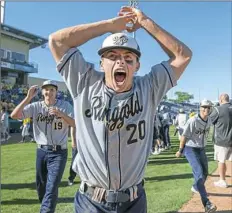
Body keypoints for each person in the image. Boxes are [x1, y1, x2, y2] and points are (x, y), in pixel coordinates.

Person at [49, 6, 192, 213]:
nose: (120, 62)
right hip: (91, 202)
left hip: (134, 201)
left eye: (128, 58)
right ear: (101, 63)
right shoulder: (84, 81)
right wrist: (110, 26)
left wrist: (145, 22)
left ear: (137, 66)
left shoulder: (149, 87)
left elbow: (183, 56)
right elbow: (56, 41)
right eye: (112, 56)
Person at [10, 80, 75, 213]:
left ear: (56, 92)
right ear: (42, 91)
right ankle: (45, 205)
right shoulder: (35, 106)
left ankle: (46, 210)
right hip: (41, 151)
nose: (49, 92)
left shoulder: (65, 105)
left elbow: (76, 124)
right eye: (46, 89)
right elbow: (14, 115)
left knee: (51, 188)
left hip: (59, 152)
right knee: (41, 186)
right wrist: (28, 98)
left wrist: (61, 114)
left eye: (52, 89)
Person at [175, 99, 217, 213]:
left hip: (201, 149)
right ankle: (207, 204)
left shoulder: (209, 121)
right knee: (198, 173)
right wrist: (180, 150)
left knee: (205, 173)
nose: (206, 109)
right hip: (190, 148)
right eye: (204, 107)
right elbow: (184, 136)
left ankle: (195, 186)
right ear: (200, 107)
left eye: (208, 107)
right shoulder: (192, 120)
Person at [210, 94, 232, 188]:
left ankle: (222, 180)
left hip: (221, 140)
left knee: (221, 161)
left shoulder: (218, 109)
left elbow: (210, 121)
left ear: (221, 100)